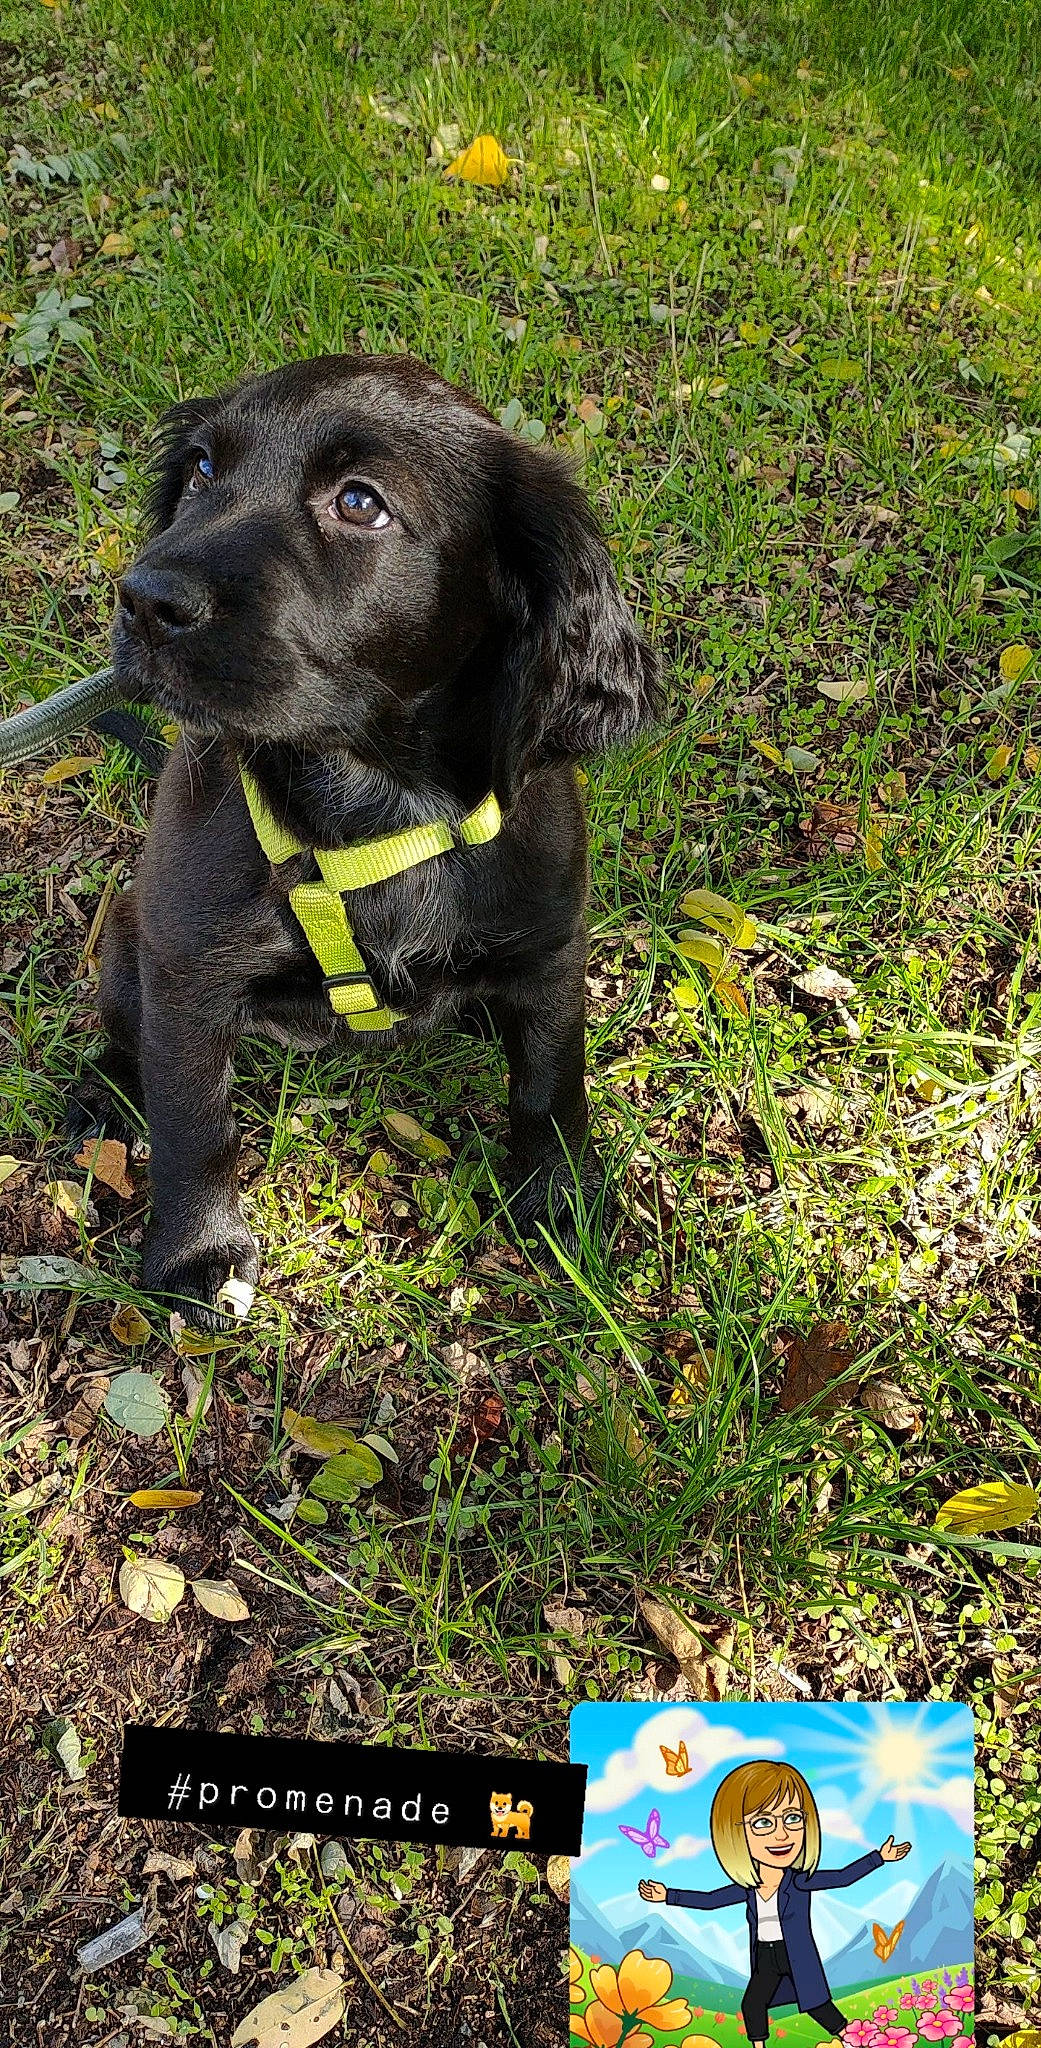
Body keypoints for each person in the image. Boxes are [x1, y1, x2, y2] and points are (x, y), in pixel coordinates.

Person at [637, 1759, 910, 2048]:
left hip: (795, 1954)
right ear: (734, 1833)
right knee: (752, 2004)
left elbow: (842, 1878)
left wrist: (879, 1858)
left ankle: (850, 2039)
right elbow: (710, 1901)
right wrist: (668, 1896)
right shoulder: (748, 1887)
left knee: (816, 2003)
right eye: (763, 1822)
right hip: (765, 1957)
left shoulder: (799, 1881)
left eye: (792, 1818)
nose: (782, 1834)